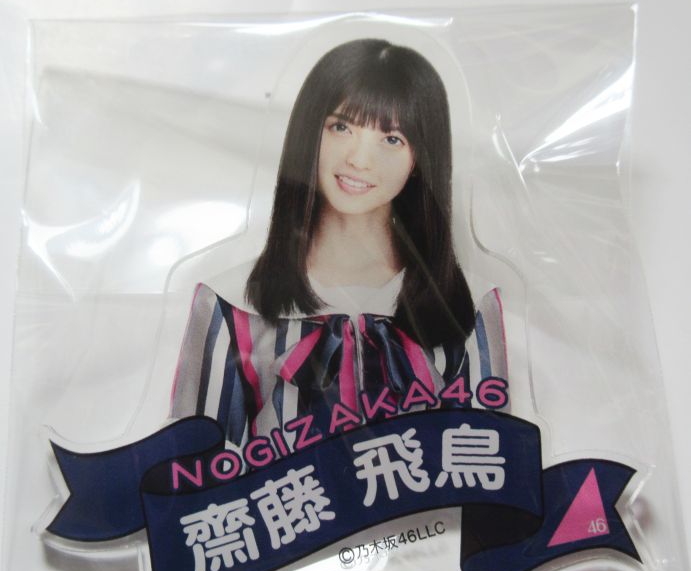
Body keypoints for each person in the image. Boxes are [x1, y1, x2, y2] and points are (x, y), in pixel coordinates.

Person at [169, 39, 507, 468]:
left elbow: (490, 467)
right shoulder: (231, 303)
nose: (359, 159)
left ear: (420, 159)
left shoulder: (469, 304)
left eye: (392, 138)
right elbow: (196, 473)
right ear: (310, 132)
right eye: (342, 127)